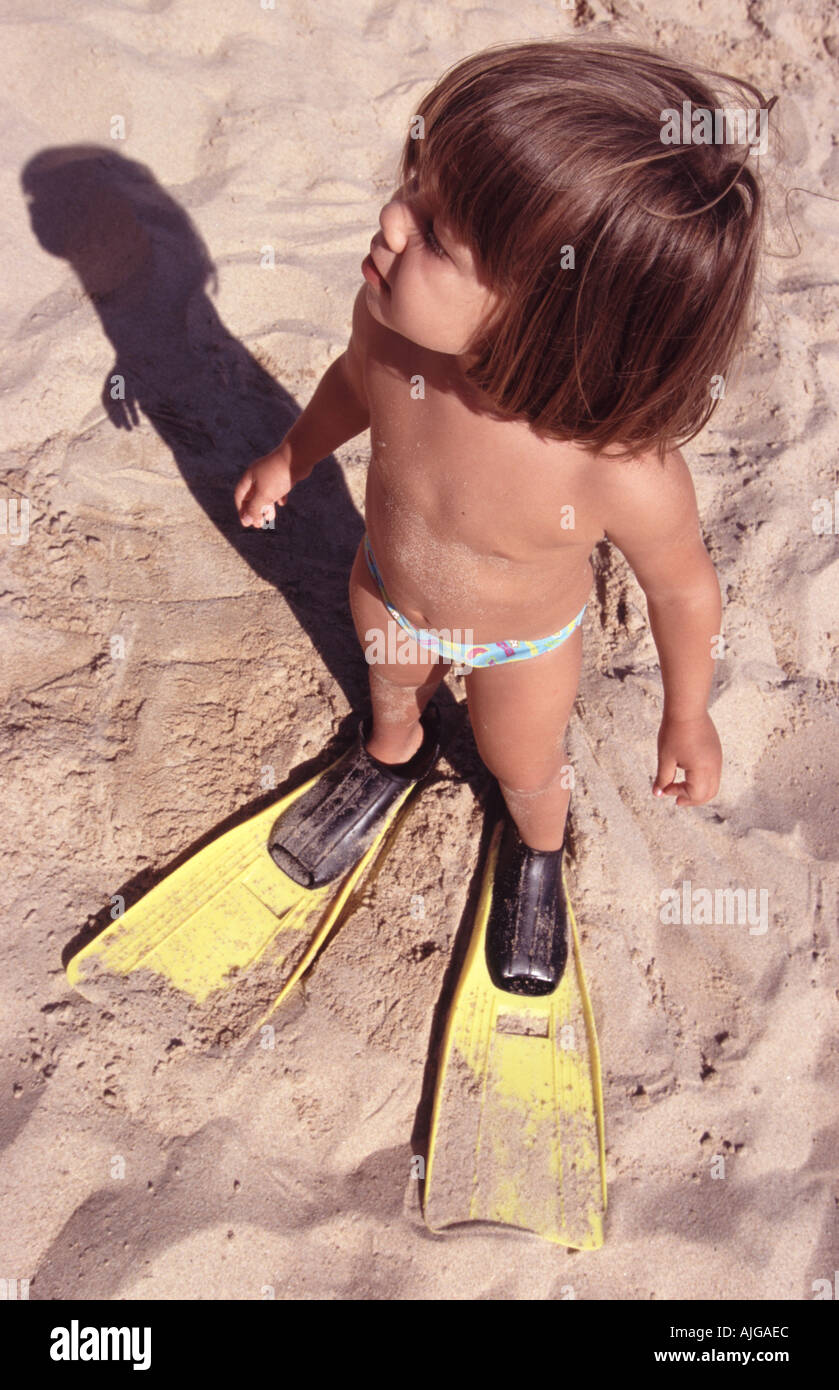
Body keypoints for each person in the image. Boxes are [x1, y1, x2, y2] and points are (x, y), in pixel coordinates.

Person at [235, 37, 770, 974]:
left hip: (519, 646)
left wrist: (688, 714)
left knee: (521, 762)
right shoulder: (390, 331)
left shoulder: (615, 471)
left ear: (556, 316)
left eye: (436, 233)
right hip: (388, 583)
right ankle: (390, 759)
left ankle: (534, 851)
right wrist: (293, 453)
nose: (392, 220)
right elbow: (351, 390)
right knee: (392, 692)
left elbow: (683, 592)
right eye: (412, 184)